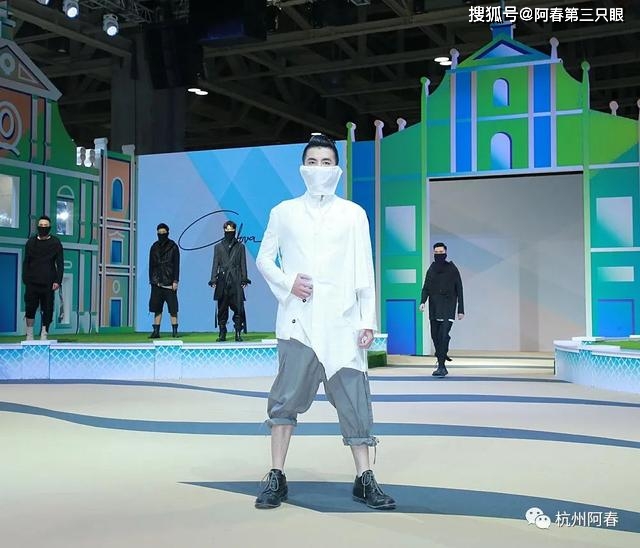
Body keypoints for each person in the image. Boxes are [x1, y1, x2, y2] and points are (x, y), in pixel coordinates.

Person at [254, 133, 395, 511]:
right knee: (284, 402)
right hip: (297, 323)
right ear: (303, 168)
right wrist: (288, 282)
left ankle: (365, 478)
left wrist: (367, 320)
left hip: (342, 325)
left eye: (326, 162)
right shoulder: (283, 212)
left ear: (337, 168)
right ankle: (276, 474)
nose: (319, 169)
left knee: (355, 403)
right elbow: (264, 259)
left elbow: (364, 269)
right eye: (313, 162)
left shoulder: (353, 214)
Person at [419, 242, 465, 377]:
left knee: (443, 335)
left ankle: (441, 366)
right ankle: (442, 354)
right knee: (435, 335)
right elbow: (426, 287)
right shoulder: (431, 269)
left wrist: (461, 309)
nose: (439, 254)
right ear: (433, 253)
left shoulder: (452, 269)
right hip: (434, 307)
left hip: (448, 306)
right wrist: (423, 301)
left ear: (445, 253)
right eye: (436, 252)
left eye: (441, 252)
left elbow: (459, 289)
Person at [22, 215, 64, 341]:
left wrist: (58, 281)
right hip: (32, 283)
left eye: (46, 226)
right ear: (38, 227)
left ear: (49, 227)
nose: (43, 228)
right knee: (30, 308)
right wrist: (25, 278)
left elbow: (60, 263)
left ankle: (44, 333)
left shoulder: (56, 243)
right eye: (41, 225)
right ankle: (29, 334)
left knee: (48, 309)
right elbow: (26, 262)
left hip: (48, 283)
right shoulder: (31, 242)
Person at [208, 221, 250, 342]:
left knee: (238, 307)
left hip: (236, 279)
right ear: (224, 231)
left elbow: (243, 264)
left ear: (234, 231)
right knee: (222, 307)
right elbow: (215, 264)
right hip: (222, 280)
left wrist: (244, 278)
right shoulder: (218, 247)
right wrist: (213, 279)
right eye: (227, 231)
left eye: (231, 231)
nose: (229, 232)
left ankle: (238, 331)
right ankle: (222, 332)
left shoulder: (240, 247)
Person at [148, 223, 180, 338]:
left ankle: (175, 331)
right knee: (157, 308)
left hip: (169, 282)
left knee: (173, 308)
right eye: (159, 233)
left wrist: (175, 281)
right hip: (156, 282)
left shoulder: (173, 246)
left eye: (163, 232)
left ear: (167, 233)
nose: (161, 234)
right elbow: (151, 265)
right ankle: (156, 331)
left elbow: (176, 265)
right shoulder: (154, 247)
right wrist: (152, 280)